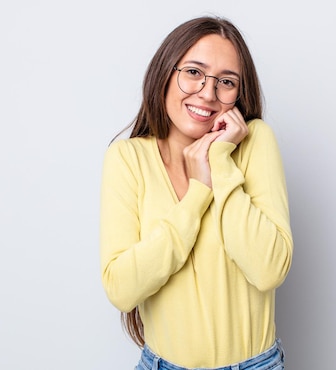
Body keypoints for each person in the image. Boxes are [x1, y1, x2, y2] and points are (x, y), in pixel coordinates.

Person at [100, 15, 293, 370]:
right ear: (165, 72)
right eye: (193, 72)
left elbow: (268, 269)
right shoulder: (127, 158)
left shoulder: (254, 142)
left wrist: (220, 161)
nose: (208, 92)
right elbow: (121, 289)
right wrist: (198, 193)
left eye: (226, 81)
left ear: (239, 93)